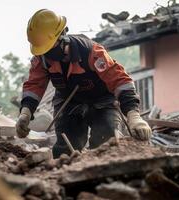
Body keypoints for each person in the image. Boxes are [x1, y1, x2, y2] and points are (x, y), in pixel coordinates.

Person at [16, 9, 152, 158]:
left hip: (102, 101)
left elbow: (120, 81)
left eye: (49, 49)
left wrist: (133, 115)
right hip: (69, 102)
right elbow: (34, 85)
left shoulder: (91, 52)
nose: (47, 55)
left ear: (63, 36)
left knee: (106, 143)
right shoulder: (41, 59)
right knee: (65, 149)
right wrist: (25, 113)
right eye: (43, 51)